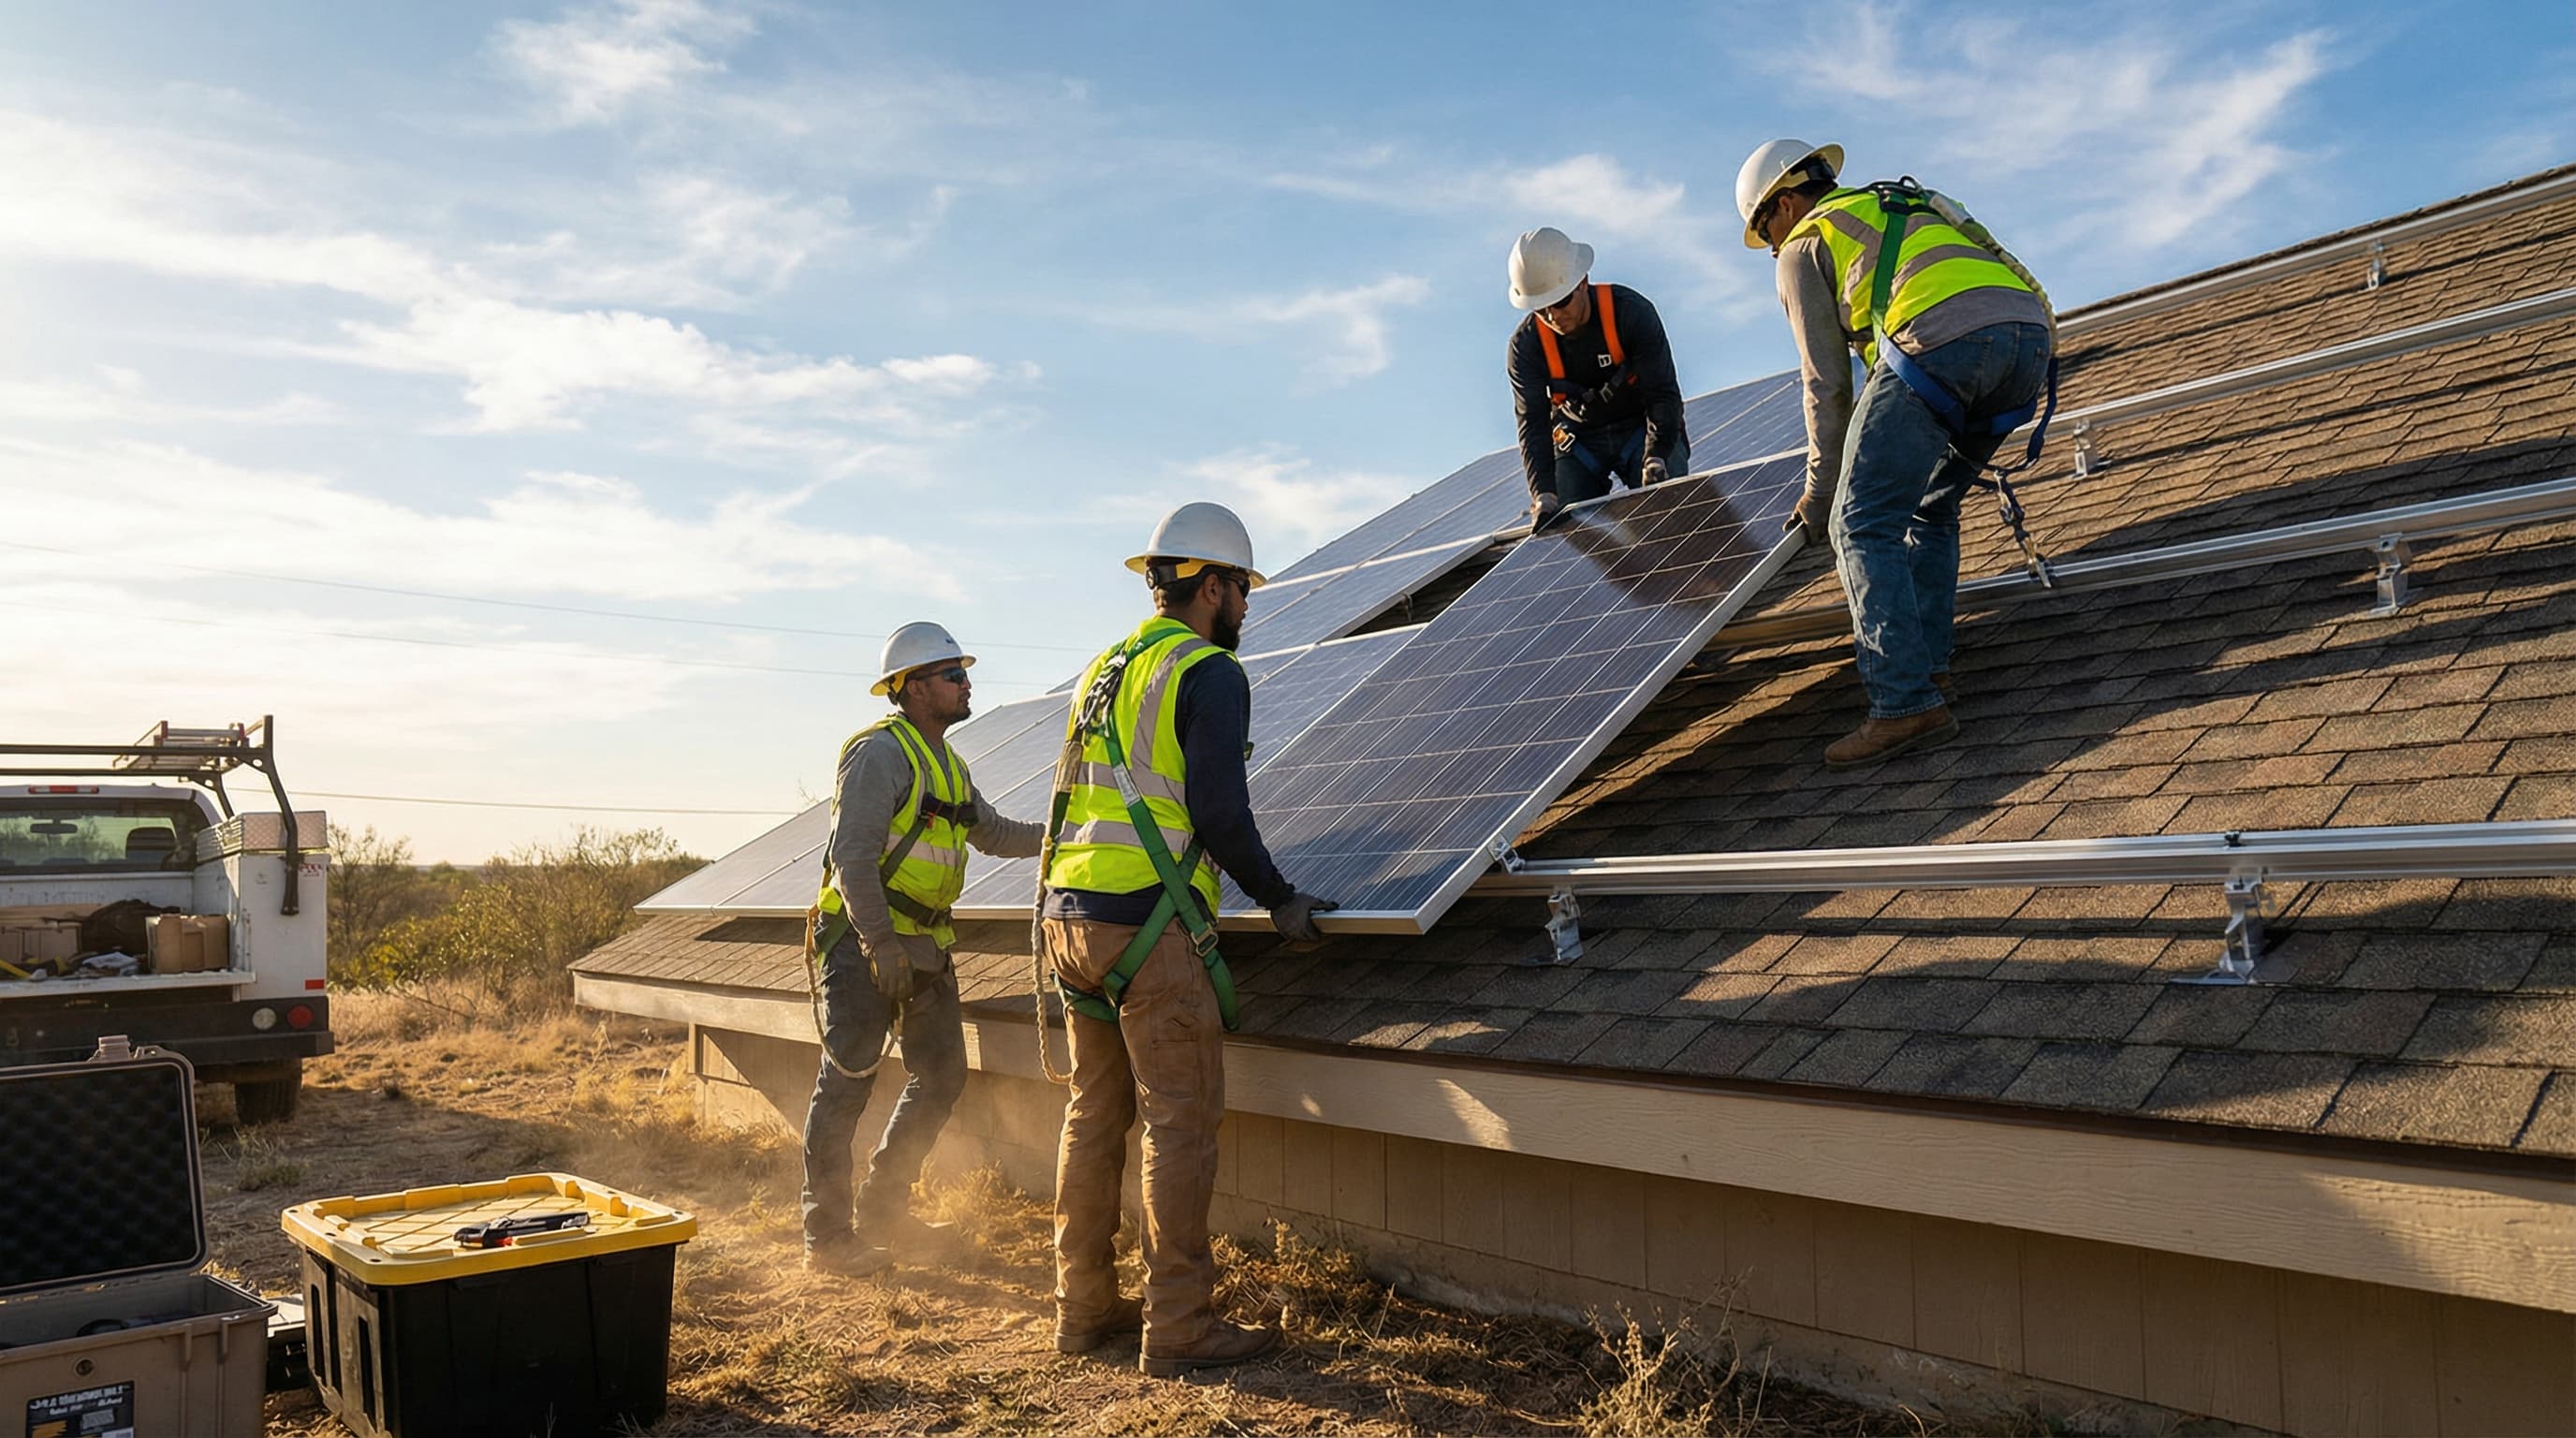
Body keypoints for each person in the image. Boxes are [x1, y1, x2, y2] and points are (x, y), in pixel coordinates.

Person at [1040, 501, 1339, 1376]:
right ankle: (1178, 1325)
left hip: (1072, 920)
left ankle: (1082, 1307)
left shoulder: (1110, 663)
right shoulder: (1207, 670)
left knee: (1094, 1117)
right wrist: (1278, 897)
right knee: (1180, 1124)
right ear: (1211, 586)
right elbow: (1217, 808)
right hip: (1150, 928)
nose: (1246, 607)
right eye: (1241, 589)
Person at [1735, 139, 2055, 768]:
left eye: (1764, 227)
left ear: (1788, 199)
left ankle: (1903, 702)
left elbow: (1826, 384)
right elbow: (2007, 266)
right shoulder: (1908, 199)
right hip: (2027, 341)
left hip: (1938, 342)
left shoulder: (1806, 244)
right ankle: (1930, 672)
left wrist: (1821, 493)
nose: (1771, 247)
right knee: (1931, 507)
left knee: (1859, 524)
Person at [801, 622, 1044, 1276]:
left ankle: (883, 1209)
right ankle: (827, 1240)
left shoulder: (947, 763)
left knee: (942, 1075)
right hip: (866, 946)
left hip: (928, 946)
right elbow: (852, 859)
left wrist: (1065, 834)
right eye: (952, 675)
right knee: (846, 1086)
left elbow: (991, 832)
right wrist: (879, 944)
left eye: (963, 673)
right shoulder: (880, 755)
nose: (967, 683)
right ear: (910, 688)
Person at [1505, 227, 1691, 530]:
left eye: (1561, 301)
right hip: (1579, 440)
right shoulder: (1526, 345)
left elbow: (1663, 393)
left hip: (1640, 426)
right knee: (1562, 530)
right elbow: (1533, 422)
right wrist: (1544, 496)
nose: (1553, 316)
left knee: (1667, 506)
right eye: (1541, 309)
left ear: (1582, 282)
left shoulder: (1630, 312)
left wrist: (1656, 455)